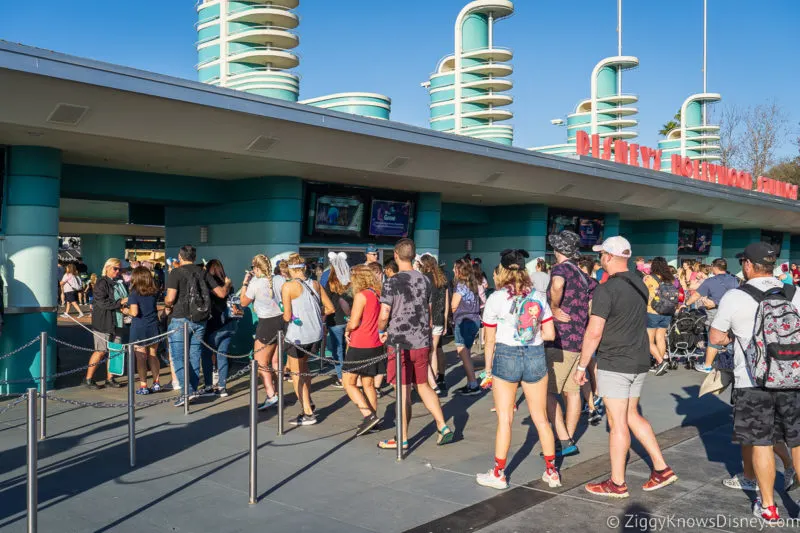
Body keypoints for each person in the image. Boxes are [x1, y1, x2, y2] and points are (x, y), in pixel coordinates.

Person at [574, 236, 677, 498]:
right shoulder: (640, 283)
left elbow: (594, 331)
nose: (599, 259)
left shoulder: (605, 290)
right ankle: (661, 468)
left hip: (615, 361)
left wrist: (582, 365)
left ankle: (617, 483)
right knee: (632, 415)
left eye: (601, 255)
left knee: (617, 422)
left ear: (608, 256)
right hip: (638, 358)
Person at [708, 242, 800, 523]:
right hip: (792, 378)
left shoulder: (735, 297)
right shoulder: (795, 293)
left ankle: (769, 507)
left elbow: (715, 338)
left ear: (748, 265)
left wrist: (735, 338)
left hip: (752, 380)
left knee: (761, 442)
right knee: (797, 441)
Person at [476, 249, 560, 490]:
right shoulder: (538, 296)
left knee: (505, 418)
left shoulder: (496, 299)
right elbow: (550, 334)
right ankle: (552, 472)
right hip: (535, 356)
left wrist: (488, 370)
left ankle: (499, 473)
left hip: (506, 356)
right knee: (541, 418)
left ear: (501, 271)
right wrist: (530, 336)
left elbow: (489, 340)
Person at [377, 238, 454, 450]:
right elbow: (428, 312)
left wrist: (381, 330)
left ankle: (401, 437)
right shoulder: (424, 280)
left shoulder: (391, 282)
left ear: (395, 255)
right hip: (420, 339)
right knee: (423, 385)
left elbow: (384, 313)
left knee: (403, 390)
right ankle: (442, 425)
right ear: (413, 256)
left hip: (399, 342)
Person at [545, 231, 598, 456]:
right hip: (579, 339)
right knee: (573, 392)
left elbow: (557, 285)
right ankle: (568, 436)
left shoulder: (561, 270)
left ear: (558, 250)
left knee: (546, 393)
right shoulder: (583, 275)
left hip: (560, 339)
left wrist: (555, 308)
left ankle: (564, 439)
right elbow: (592, 307)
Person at [165, 245, 231, 407]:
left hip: (180, 318)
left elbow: (170, 298)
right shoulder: (204, 272)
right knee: (194, 355)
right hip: (200, 320)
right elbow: (222, 293)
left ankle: (187, 391)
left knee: (178, 356)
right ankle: (192, 390)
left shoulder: (176, 272)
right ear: (194, 257)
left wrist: (167, 305)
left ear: (180, 257)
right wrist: (227, 284)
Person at [282, 253, 335, 426]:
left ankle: (307, 412)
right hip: (315, 334)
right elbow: (330, 308)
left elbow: (287, 315)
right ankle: (308, 401)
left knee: (296, 374)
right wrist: (315, 316)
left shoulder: (288, 287)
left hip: (297, 336)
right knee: (304, 369)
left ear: (291, 270)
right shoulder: (315, 284)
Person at [343, 264, 386, 435]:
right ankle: (373, 417)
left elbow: (353, 322)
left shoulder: (361, 296)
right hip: (375, 342)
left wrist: (347, 328)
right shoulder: (378, 294)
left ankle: (368, 416)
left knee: (349, 382)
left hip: (360, 343)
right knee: (368, 383)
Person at [239, 254, 283, 408]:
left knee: (259, 362)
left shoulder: (256, 283)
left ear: (256, 268)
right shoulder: (279, 279)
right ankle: (277, 392)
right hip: (282, 321)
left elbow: (243, 302)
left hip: (266, 324)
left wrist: (245, 283)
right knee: (276, 361)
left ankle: (271, 395)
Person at [84, 258, 128, 389]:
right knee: (101, 351)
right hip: (103, 321)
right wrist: (120, 303)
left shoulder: (120, 283)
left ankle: (110, 378)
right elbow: (102, 303)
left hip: (118, 320)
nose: (118, 271)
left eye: (119, 269)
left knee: (115, 351)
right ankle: (88, 378)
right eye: (115, 268)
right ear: (107, 268)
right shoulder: (101, 282)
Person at [202, 259, 235, 397]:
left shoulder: (208, 286)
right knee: (222, 356)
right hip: (228, 324)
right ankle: (222, 387)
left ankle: (209, 386)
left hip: (212, 324)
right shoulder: (229, 285)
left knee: (207, 356)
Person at [128, 266, 161, 394]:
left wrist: (126, 310)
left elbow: (134, 312)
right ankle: (156, 382)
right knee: (153, 355)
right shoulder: (153, 292)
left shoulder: (134, 293)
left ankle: (143, 386)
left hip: (139, 328)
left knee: (141, 358)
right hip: (153, 326)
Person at [451, 259, 483, 395]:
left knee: (463, 353)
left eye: (454, 268)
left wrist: (451, 316)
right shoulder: (473, 284)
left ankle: (473, 384)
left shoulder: (460, 286)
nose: (453, 271)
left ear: (459, 270)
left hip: (463, 321)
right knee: (467, 352)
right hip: (475, 320)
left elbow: (454, 304)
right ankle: (471, 383)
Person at [420, 254, 449, 395]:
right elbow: (447, 301)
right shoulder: (442, 279)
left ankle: (429, 381)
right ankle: (436, 380)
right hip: (439, 319)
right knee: (434, 350)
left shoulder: (424, 279)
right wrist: (444, 320)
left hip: (427, 319)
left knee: (427, 351)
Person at [643, 257, 677, 376]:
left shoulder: (648, 278)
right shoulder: (671, 279)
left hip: (653, 311)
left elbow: (643, 294)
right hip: (667, 312)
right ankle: (659, 364)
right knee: (661, 338)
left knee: (648, 340)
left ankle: (660, 362)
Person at [324, 252, 352, 388]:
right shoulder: (351, 282)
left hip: (334, 320)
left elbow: (325, 302)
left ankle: (342, 377)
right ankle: (351, 375)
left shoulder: (330, 283)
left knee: (338, 349)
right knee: (349, 348)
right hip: (350, 319)